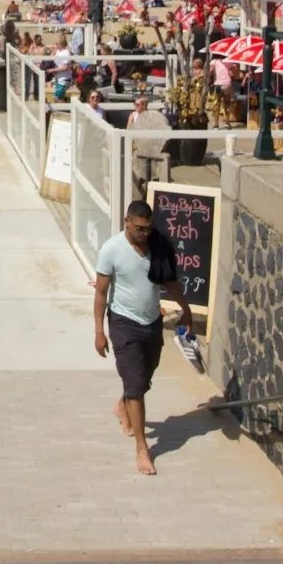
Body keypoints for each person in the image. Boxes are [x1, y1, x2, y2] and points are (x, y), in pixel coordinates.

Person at [94, 200, 190, 475]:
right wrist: (100, 332)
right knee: (136, 385)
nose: (144, 233)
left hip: (152, 321)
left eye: (148, 228)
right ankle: (142, 448)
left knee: (145, 375)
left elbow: (169, 281)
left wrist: (184, 309)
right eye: (139, 228)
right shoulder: (111, 249)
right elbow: (101, 293)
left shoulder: (159, 245)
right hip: (123, 322)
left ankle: (123, 405)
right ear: (127, 222)